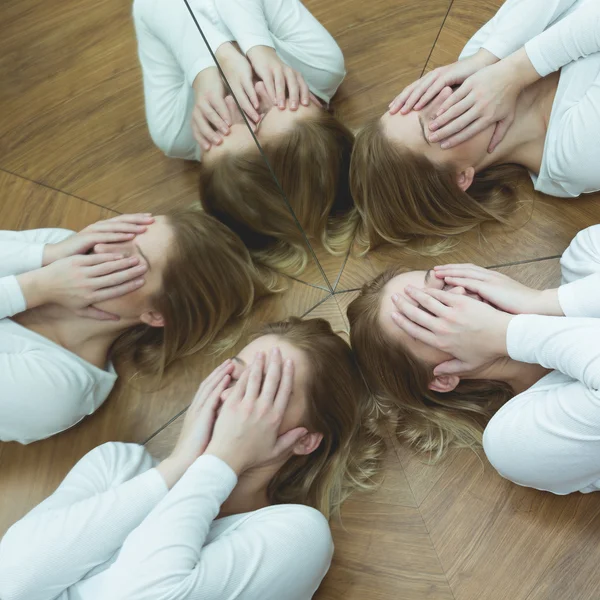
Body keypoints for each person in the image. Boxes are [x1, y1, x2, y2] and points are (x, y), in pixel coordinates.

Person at [0, 318, 384, 600]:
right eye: (236, 375)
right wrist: (179, 465)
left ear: (305, 441)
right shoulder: (118, 465)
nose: (236, 400)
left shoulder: (295, 534)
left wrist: (220, 461)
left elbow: (142, 594)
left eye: (267, 392)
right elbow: (10, 580)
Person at [348, 223, 600, 496]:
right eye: (431, 315)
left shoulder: (587, 258)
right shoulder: (518, 439)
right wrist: (507, 332)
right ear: (442, 378)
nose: (460, 296)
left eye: (444, 284)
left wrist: (544, 302)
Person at [0, 210, 273, 444]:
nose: (101, 248)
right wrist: (45, 255)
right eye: (124, 234)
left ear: (155, 314)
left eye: (130, 258)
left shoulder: (57, 390)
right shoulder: (61, 246)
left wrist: (35, 288)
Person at [351, 0, 600, 252]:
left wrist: (489, 58)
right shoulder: (575, 158)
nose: (444, 92)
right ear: (459, 177)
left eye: (419, 99)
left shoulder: (477, 62)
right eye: (434, 122)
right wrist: (516, 70)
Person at [133, 0, 356, 275]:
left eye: (233, 125)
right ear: (321, 107)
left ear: (205, 157)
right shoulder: (320, 66)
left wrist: (208, 68)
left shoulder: (175, 132)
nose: (255, 93)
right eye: (282, 98)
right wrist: (258, 48)